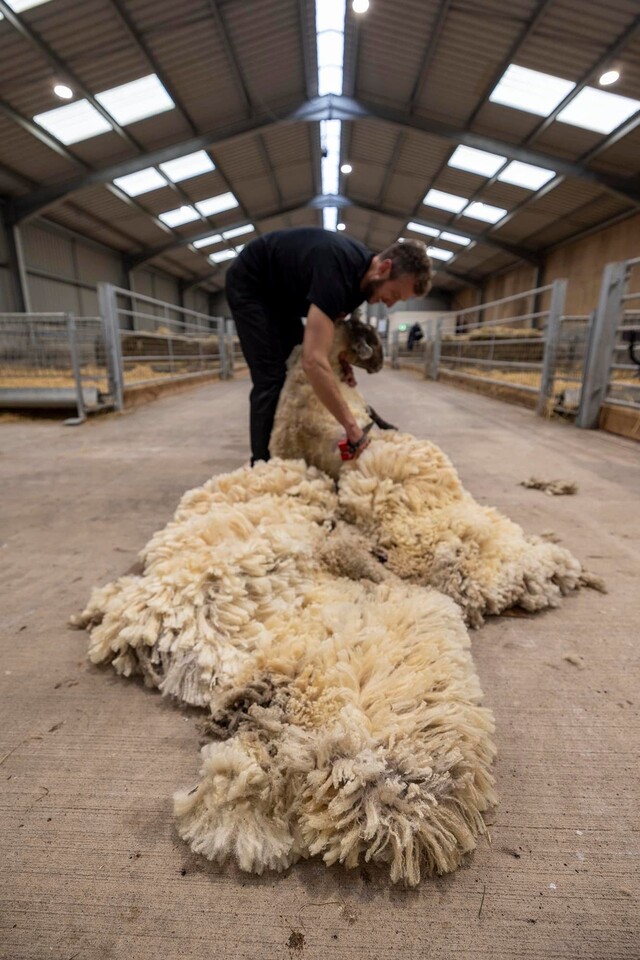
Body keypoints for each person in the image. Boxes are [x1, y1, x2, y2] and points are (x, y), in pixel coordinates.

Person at [225, 227, 432, 465]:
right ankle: (262, 466)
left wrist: (339, 359)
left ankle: (293, 449)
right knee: (272, 377)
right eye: (394, 293)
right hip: (253, 285)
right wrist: (351, 427)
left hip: (283, 296)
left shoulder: (361, 283)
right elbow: (313, 361)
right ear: (384, 269)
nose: (389, 304)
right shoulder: (337, 272)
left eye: (398, 300)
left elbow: (330, 332)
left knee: (297, 366)